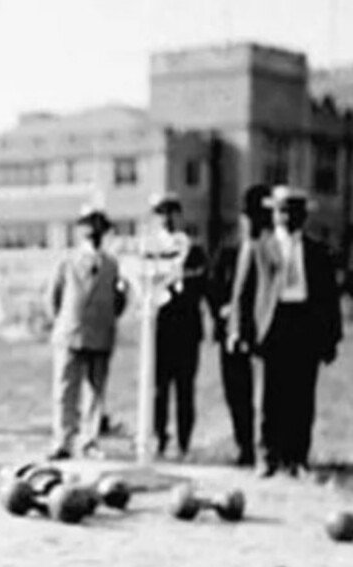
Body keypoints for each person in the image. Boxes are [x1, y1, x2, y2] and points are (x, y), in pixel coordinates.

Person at [231, 186, 341, 478]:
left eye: (294, 211)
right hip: (271, 327)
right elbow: (243, 293)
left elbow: (329, 298)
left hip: (304, 325)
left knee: (301, 396)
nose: (287, 216)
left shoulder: (318, 251)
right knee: (268, 397)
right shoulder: (259, 247)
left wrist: (331, 338)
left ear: (304, 216)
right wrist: (238, 331)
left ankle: (297, 458)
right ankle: (267, 456)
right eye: (281, 210)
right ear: (273, 214)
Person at [45, 207, 127, 460]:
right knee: (65, 390)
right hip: (70, 333)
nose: (93, 232)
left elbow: (118, 302)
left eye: (98, 227)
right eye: (88, 226)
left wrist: (114, 309)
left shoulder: (112, 265)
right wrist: (62, 323)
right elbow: (52, 298)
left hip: (101, 335)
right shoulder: (67, 261)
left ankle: (89, 441)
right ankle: (62, 440)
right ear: (80, 230)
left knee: (95, 391)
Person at [207, 184, 271, 468]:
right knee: (236, 393)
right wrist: (222, 311)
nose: (252, 224)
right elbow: (213, 285)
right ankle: (243, 447)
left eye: (259, 218)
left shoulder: (270, 252)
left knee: (263, 396)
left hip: (260, 336)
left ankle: (264, 448)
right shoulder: (229, 250)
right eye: (249, 218)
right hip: (230, 334)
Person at [146, 193, 208, 460]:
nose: (167, 217)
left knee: (185, 389)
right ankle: (159, 438)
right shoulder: (150, 248)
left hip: (186, 327)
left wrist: (182, 278)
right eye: (161, 212)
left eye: (172, 211)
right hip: (159, 327)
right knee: (159, 389)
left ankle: (184, 443)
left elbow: (202, 284)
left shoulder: (193, 249)